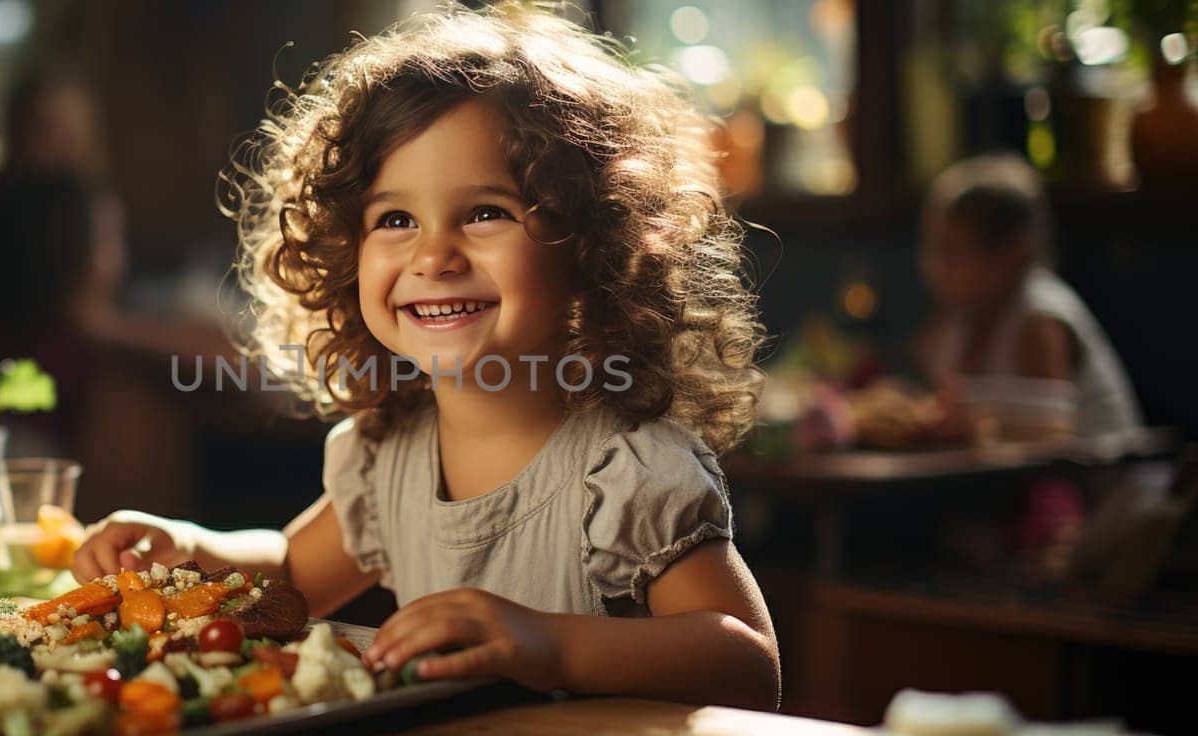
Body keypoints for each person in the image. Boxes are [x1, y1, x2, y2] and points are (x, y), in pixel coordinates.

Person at [73, 3, 778, 708]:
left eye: (486, 212)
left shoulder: (625, 475)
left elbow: (748, 664)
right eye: (396, 220)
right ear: (348, 255)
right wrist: (194, 551)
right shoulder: (389, 457)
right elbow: (292, 574)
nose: (434, 255)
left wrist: (550, 643)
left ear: (592, 247)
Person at [916, 153, 1142, 441]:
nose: (934, 267)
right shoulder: (959, 321)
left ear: (1013, 252)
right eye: (933, 249)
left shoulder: (1040, 315)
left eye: (952, 251)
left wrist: (977, 420)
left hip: (1103, 483)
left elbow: (1055, 429)